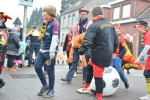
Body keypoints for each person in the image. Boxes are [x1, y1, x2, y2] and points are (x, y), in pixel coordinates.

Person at [76, 6, 119, 100]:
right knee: (89, 67)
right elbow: (116, 41)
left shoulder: (93, 26)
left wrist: (81, 52)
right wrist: (113, 52)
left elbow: (87, 41)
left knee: (98, 76)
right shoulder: (110, 25)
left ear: (93, 16)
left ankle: (99, 97)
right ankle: (86, 87)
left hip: (99, 55)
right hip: (105, 54)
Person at [61, 8, 92, 83]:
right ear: (80, 14)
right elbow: (74, 34)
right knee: (74, 61)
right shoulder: (76, 23)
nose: (83, 15)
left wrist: (85, 30)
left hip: (86, 45)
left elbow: (90, 34)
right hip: (77, 45)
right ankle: (68, 77)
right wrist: (73, 42)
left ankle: (85, 79)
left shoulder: (90, 23)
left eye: (84, 14)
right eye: (82, 14)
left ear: (87, 14)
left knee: (85, 62)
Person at [34, 5, 59, 98]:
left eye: (44, 12)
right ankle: (45, 85)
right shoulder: (45, 23)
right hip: (42, 50)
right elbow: (43, 36)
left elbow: (55, 39)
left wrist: (52, 52)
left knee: (50, 71)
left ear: (49, 13)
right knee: (37, 67)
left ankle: (51, 89)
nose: (42, 13)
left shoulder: (55, 23)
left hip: (50, 51)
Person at [110, 23, 129, 89]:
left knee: (118, 70)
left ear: (119, 29)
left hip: (118, 56)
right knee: (110, 70)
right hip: (110, 57)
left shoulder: (121, 37)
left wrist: (119, 56)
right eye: (114, 28)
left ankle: (125, 80)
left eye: (117, 28)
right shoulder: (109, 36)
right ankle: (111, 85)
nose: (115, 29)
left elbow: (124, 49)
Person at [134, 20, 150, 100]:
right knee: (147, 74)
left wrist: (139, 57)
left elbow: (147, 47)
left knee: (148, 75)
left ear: (142, 27)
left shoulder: (148, 34)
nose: (137, 31)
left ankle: (149, 95)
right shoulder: (146, 34)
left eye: (138, 29)